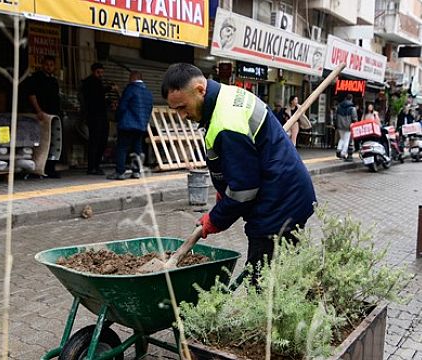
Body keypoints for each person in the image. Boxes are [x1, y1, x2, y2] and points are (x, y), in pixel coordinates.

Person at [161, 63, 316, 284]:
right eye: (175, 110)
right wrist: (224, 189)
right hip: (285, 190)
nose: (182, 115)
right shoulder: (227, 95)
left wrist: (214, 219)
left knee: (262, 284)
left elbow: (244, 190)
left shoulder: (226, 122)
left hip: (279, 204)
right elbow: (242, 163)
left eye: (183, 107)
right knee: (284, 275)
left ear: (200, 90)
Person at [107, 71, 153, 180]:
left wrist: (117, 117)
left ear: (132, 78)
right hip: (141, 125)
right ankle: (136, 172)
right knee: (137, 148)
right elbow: (149, 109)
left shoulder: (130, 89)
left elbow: (122, 107)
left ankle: (120, 172)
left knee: (122, 147)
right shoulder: (148, 92)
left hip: (127, 124)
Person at [24, 55, 61, 178]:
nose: (49, 67)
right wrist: (38, 110)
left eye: (51, 65)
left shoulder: (54, 80)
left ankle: (51, 168)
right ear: (42, 65)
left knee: (53, 143)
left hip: (54, 115)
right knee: (41, 143)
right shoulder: (35, 78)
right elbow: (31, 95)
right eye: (47, 64)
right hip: (42, 114)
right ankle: (39, 168)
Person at [80, 63, 109, 175]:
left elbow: (100, 98)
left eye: (102, 72)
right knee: (95, 142)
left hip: (101, 115)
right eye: (98, 72)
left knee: (101, 141)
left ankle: (96, 165)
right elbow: (96, 95)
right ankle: (92, 167)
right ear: (93, 71)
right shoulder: (90, 82)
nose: (100, 75)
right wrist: (110, 88)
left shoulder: (98, 82)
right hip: (94, 116)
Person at [335, 94, 357, 160]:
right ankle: (343, 153)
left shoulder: (339, 107)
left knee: (341, 138)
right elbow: (354, 118)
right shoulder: (352, 108)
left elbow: (336, 117)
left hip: (340, 125)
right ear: (351, 99)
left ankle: (338, 150)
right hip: (348, 126)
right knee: (346, 140)